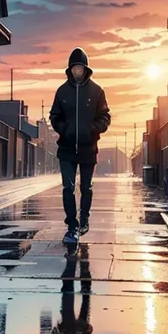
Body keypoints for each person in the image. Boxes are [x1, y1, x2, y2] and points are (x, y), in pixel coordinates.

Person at [49, 47, 111, 244]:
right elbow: (54, 116)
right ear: (70, 69)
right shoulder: (62, 91)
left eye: (80, 68)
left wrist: (92, 129)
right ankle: (72, 227)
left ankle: (84, 221)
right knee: (68, 188)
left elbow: (105, 116)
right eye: (74, 68)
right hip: (66, 149)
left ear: (85, 69)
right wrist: (64, 130)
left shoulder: (97, 91)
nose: (77, 71)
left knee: (86, 187)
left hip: (88, 149)